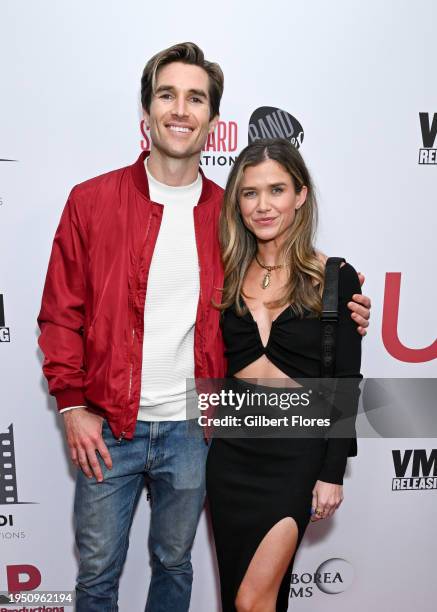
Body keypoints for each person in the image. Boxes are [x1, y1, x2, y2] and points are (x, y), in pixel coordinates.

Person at [36, 43, 370, 611]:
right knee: (95, 573)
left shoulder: (229, 215)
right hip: (109, 424)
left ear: (214, 122)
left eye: (196, 98)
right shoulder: (91, 202)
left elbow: (286, 275)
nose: (180, 109)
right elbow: (61, 311)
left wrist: (342, 299)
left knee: (174, 565)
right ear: (146, 111)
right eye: (167, 95)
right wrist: (72, 402)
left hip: (198, 428)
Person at [206, 138, 363, 612]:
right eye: (250, 193)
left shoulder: (334, 277)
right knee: (243, 599)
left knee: (253, 601)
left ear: (300, 195)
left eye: (277, 190)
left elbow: (346, 384)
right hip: (232, 457)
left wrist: (332, 473)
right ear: (237, 201)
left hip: (295, 459)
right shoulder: (226, 272)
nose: (263, 205)